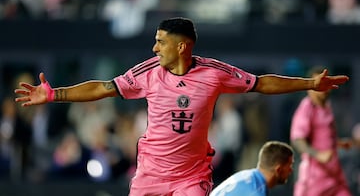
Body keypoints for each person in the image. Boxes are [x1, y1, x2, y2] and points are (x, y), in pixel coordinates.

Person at [14, 17, 349, 195]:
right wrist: (55, 94)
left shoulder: (215, 74)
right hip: (150, 175)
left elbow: (261, 83)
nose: (154, 47)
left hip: (191, 177)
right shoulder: (146, 73)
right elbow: (103, 87)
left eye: (161, 41)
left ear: (183, 46)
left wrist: (309, 84)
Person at [290, 66, 353, 196]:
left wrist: (339, 143)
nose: (324, 89)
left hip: (334, 174)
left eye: (326, 84)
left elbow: (325, 137)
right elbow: (297, 140)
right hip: (314, 177)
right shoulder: (306, 108)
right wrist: (318, 155)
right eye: (319, 84)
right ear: (310, 88)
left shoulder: (327, 107)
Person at [210, 141, 294, 196]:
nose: (291, 170)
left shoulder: (244, 175)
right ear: (278, 169)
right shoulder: (256, 192)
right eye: (289, 166)